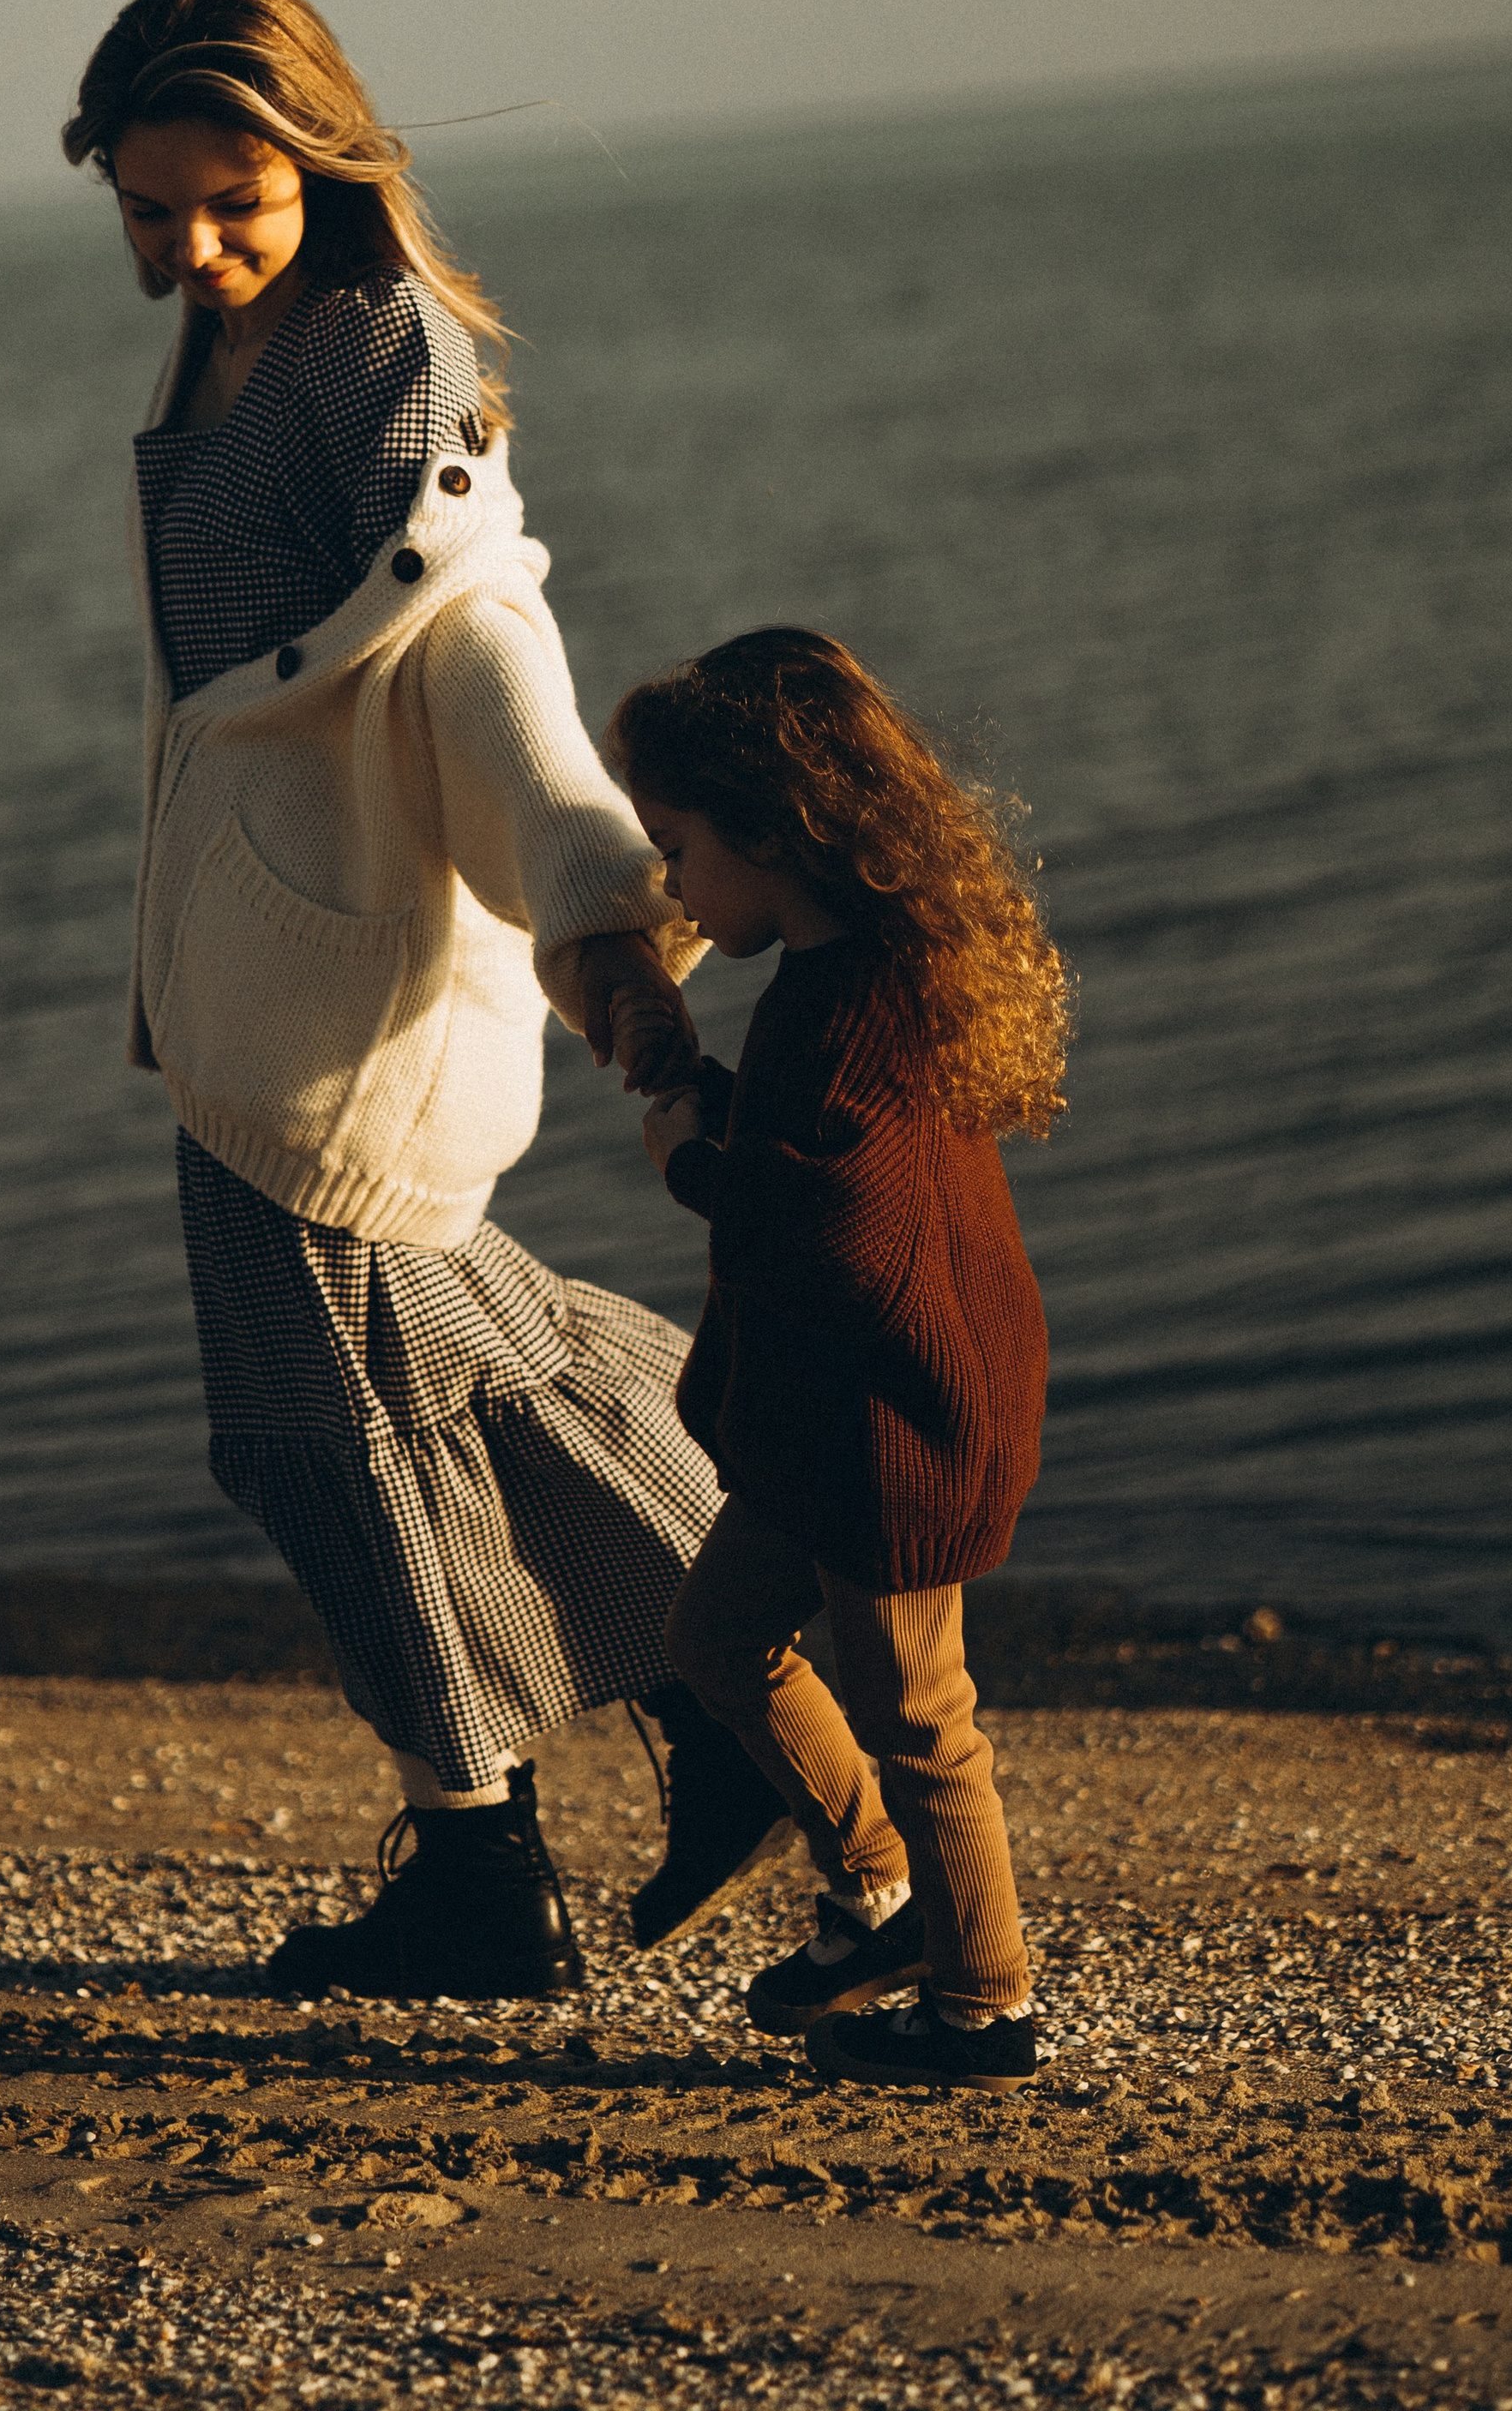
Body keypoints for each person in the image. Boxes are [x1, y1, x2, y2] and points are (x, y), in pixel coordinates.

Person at [62, 0, 789, 2000]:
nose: (186, 247)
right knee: (372, 1406)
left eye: (233, 204)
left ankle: (549, 1815)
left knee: (365, 1417)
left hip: (338, 996)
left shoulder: (385, 357)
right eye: (143, 208)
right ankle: (668, 1724)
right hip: (241, 987)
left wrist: (609, 927)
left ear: (323, 161)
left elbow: (480, 654)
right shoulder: (219, 357)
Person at [611, 627, 1071, 2092]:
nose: (672, 886)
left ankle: (983, 2003)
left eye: (679, 849)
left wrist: (696, 1166)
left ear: (770, 827)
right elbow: (838, 1164)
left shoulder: (863, 1001)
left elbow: (843, 1233)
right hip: (831, 1422)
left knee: (922, 1715)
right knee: (714, 1642)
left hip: (897, 1427)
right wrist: (723, 1104)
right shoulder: (840, 976)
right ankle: (877, 1892)